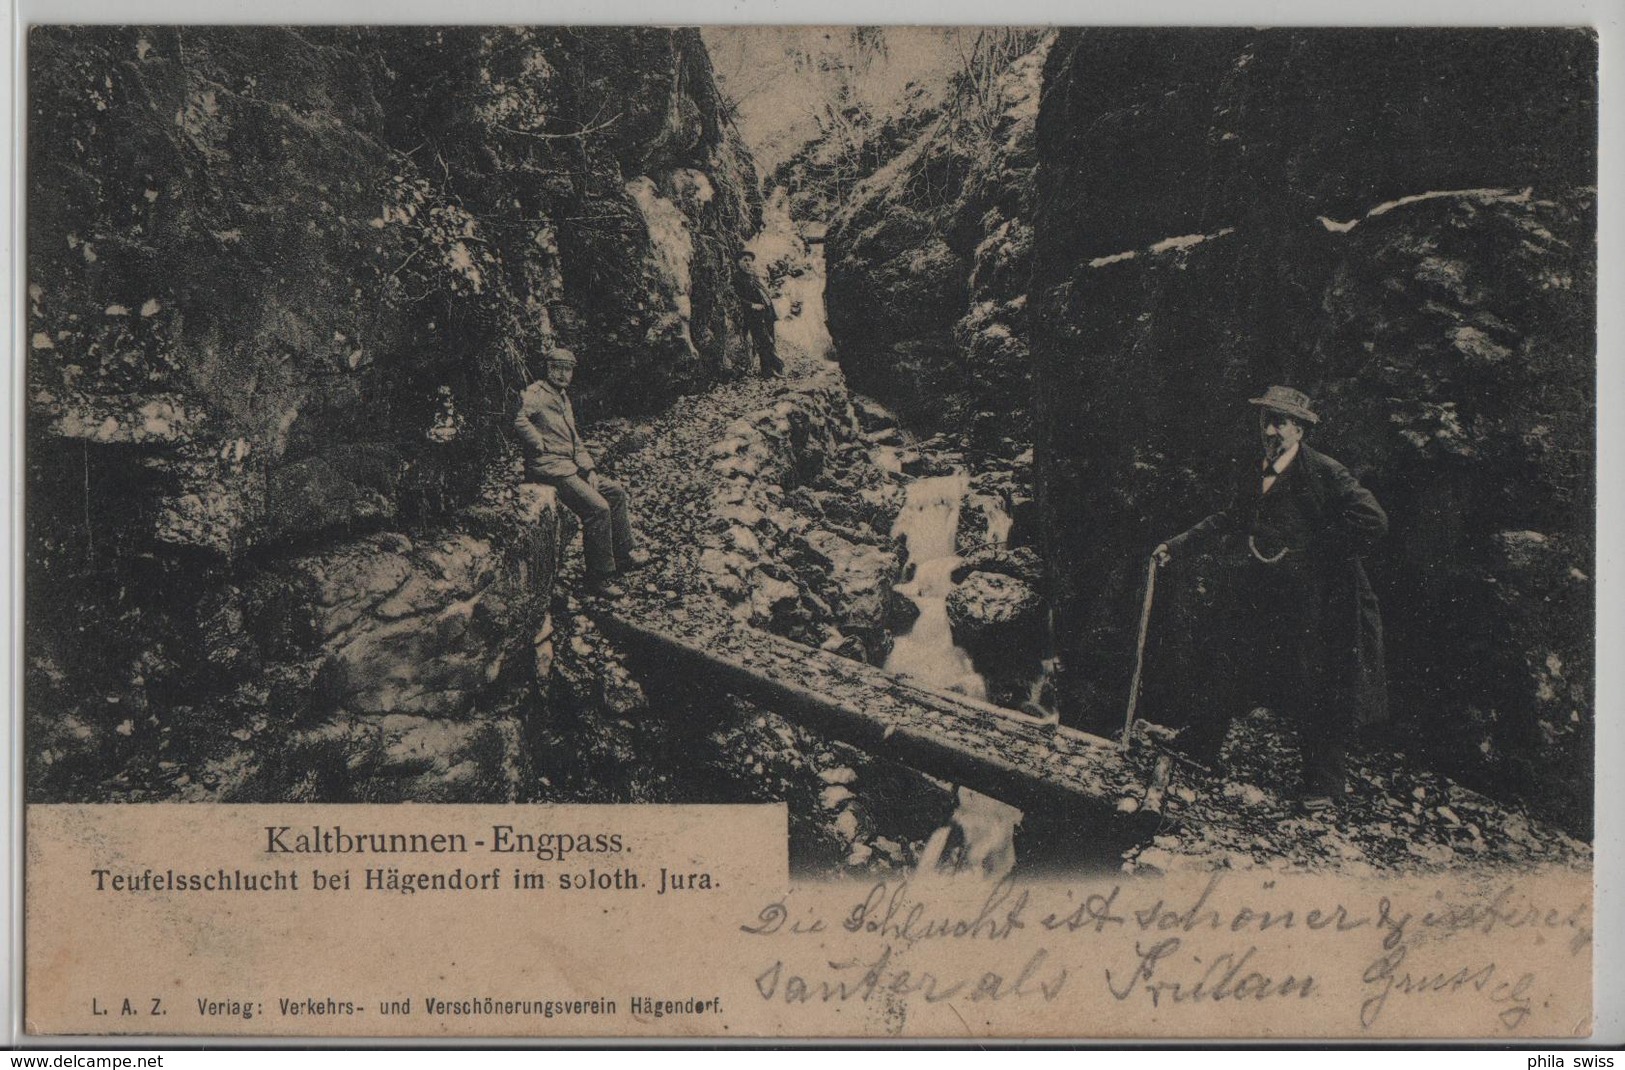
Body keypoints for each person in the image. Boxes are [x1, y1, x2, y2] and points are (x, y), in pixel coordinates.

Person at [1154, 385, 1387, 812]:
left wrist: (1317, 554)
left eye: (1280, 422)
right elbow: (1230, 517)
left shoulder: (1325, 472)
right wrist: (1176, 544)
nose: (1271, 430)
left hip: (1319, 601)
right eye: (1266, 421)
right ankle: (1200, 745)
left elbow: (1373, 520)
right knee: (1228, 657)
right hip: (1265, 591)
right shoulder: (1257, 469)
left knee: (1318, 681)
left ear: (1299, 429)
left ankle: (1326, 785)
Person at [514, 348, 649, 598]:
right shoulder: (536, 393)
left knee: (615, 492)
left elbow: (575, 440)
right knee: (597, 508)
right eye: (558, 368)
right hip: (549, 469)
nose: (563, 374)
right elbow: (518, 417)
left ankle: (623, 555)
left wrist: (590, 469)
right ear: (548, 368)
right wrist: (537, 442)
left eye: (568, 369)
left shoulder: (563, 397)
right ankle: (599, 577)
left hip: (570, 467)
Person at [734, 250, 782, 378]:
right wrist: (751, 305)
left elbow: (763, 293)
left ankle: (774, 367)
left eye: (750, 260)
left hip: (766, 314)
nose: (748, 263)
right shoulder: (737, 278)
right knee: (764, 341)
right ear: (738, 262)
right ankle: (768, 370)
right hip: (753, 315)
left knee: (771, 340)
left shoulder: (753, 276)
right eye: (745, 260)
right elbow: (736, 297)